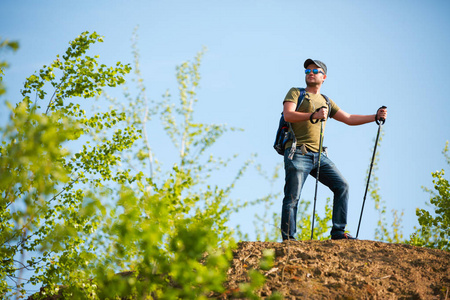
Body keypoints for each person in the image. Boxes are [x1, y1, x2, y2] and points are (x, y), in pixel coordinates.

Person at [281, 58, 387, 241]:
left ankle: (338, 232)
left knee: (342, 185)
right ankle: (289, 239)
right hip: (297, 152)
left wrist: (374, 117)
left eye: (315, 71)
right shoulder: (296, 93)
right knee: (292, 195)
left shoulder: (326, 101)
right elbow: (288, 115)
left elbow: (348, 118)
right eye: (308, 71)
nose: (311, 73)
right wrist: (313, 115)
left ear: (324, 77)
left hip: (319, 156)